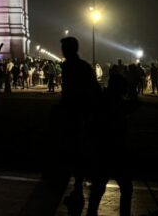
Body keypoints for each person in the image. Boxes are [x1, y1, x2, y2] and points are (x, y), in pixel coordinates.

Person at [84, 72, 138, 216]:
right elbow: (130, 106)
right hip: (113, 150)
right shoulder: (115, 103)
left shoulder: (103, 100)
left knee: (99, 187)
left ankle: (91, 212)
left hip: (102, 150)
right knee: (125, 187)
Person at [59, 36, 101, 215]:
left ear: (68, 49)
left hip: (78, 115)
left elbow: (73, 92)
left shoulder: (71, 67)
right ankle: (78, 185)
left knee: (77, 149)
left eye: (64, 48)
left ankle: (80, 184)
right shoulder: (81, 66)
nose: (62, 51)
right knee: (77, 150)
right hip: (80, 113)